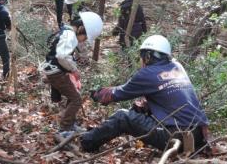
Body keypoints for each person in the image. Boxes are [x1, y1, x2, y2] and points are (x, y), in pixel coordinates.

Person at [81, 35, 209, 152]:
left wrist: (98, 95)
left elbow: (117, 94)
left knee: (122, 117)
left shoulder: (148, 73)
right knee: (139, 107)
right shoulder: (177, 66)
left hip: (176, 136)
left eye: (142, 57)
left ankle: (86, 142)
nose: (141, 61)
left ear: (148, 56)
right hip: (198, 136)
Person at [40, 12, 103, 133]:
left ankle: (70, 124)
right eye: (84, 37)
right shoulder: (70, 35)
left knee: (73, 95)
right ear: (81, 29)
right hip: (56, 72)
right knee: (76, 99)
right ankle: (64, 129)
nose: (83, 40)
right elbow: (62, 56)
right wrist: (74, 70)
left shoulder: (65, 32)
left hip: (54, 70)